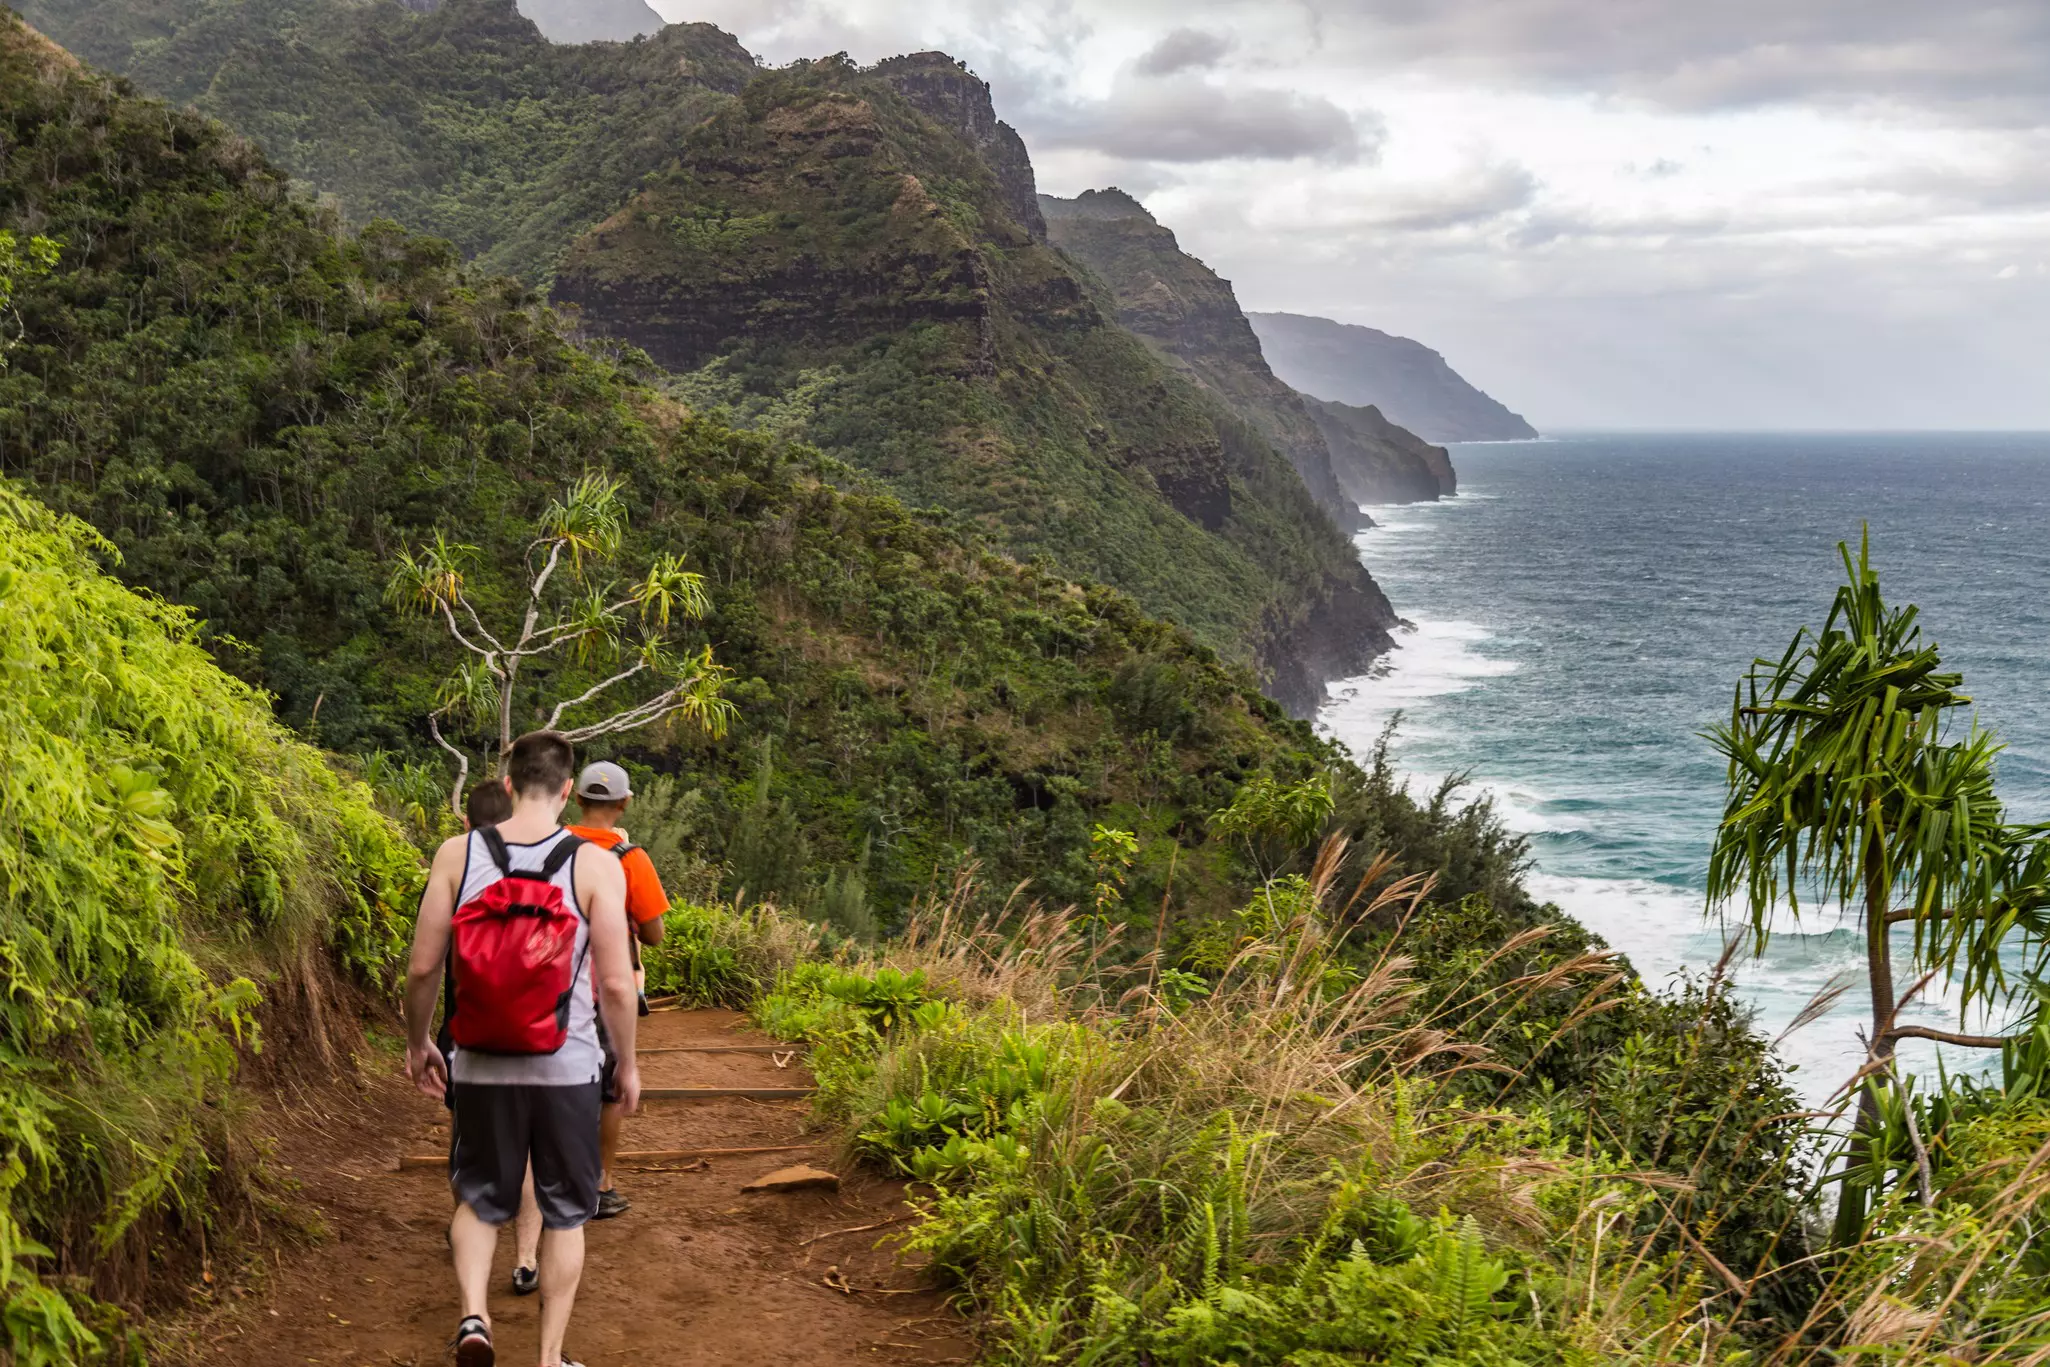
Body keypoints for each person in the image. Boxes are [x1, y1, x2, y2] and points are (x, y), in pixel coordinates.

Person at [404, 731, 639, 1367]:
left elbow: (424, 968)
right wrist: (629, 1063)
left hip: (478, 1061)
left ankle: (475, 1316)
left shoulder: (459, 853)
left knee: (479, 1199)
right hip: (568, 1066)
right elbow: (616, 983)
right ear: (567, 791)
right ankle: (548, 1358)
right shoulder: (596, 865)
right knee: (565, 1211)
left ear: (508, 784)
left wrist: (421, 1041)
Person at [508, 761, 667, 1296]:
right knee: (608, 1087)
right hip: (604, 983)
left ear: (576, 800)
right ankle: (598, 1185)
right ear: (623, 803)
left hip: (543, 979)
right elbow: (655, 932)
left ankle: (526, 1183)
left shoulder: (547, 844)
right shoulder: (629, 857)